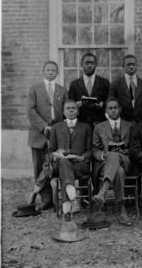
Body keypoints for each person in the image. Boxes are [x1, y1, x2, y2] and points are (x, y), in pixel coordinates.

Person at [27, 60, 67, 210]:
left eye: (53, 70)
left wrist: (57, 130)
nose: (51, 72)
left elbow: (64, 112)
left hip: (55, 135)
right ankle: (44, 199)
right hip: (38, 134)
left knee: (52, 165)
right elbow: (30, 111)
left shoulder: (62, 90)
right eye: (48, 70)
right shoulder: (34, 89)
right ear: (43, 71)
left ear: (57, 73)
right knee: (38, 166)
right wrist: (44, 126)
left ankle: (55, 196)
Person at [92, 98, 133, 226]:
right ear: (106, 111)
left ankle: (103, 191)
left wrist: (125, 150)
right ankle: (121, 208)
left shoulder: (129, 125)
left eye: (115, 107)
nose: (113, 110)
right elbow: (95, 148)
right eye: (110, 108)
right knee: (118, 172)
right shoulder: (99, 127)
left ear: (120, 109)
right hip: (106, 164)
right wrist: (103, 155)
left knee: (116, 156)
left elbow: (135, 146)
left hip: (124, 160)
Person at [49, 100, 92, 219]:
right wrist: (57, 154)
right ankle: (70, 189)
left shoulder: (86, 127)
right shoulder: (56, 127)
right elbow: (50, 150)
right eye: (68, 108)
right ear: (63, 112)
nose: (71, 110)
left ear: (78, 111)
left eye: (73, 108)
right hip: (61, 164)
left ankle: (66, 206)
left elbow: (90, 150)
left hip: (79, 165)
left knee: (64, 169)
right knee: (63, 162)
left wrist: (80, 157)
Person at [68, 52, 110, 125]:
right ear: (82, 64)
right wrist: (76, 105)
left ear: (96, 65)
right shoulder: (74, 84)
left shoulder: (104, 83)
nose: (89, 65)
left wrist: (103, 104)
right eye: (87, 63)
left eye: (92, 63)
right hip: (81, 123)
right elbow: (70, 104)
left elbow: (110, 101)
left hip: (100, 122)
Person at [109, 55, 142, 122]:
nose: (131, 67)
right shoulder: (115, 85)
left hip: (141, 122)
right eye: (128, 65)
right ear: (123, 66)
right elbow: (111, 104)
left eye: (133, 65)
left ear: (137, 66)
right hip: (123, 122)